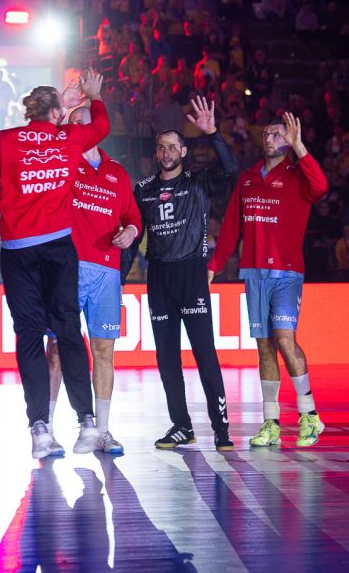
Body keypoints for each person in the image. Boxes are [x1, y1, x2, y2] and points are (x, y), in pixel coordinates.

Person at [0, 73, 108, 459]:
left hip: (18, 253)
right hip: (58, 249)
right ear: (57, 113)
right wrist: (94, 96)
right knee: (68, 331)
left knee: (28, 336)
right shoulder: (70, 138)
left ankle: (40, 428)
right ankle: (88, 422)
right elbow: (102, 126)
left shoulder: (6, 140)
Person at [209, 113, 328, 448]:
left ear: (288, 139)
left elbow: (321, 187)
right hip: (253, 272)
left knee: (285, 340)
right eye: (266, 133)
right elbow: (231, 225)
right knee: (264, 346)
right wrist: (214, 265)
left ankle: (309, 414)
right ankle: (271, 422)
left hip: (287, 272)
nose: (269, 138)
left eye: (277, 134)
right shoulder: (248, 178)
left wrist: (300, 147)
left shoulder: (298, 174)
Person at [133, 96, 236, 451]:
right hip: (159, 278)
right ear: (156, 152)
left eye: (173, 147)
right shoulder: (143, 190)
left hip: (191, 275)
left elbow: (230, 170)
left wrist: (213, 133)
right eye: (161, 147)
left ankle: (221, 428)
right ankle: (181, 426)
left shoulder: (198, 183)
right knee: (166, 358)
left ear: (184, 151)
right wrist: (119, 275)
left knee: (205, 354)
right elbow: (133, 235)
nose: (166, 153)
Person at [45, 104, 141, 455]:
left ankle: (102, 431)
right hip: (67, 269)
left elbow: (133, 217)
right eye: (69, 124)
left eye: (79, 124)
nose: (74, 130)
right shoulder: (62, 163)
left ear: (96, 128)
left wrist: (131, 231)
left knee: (104, 352)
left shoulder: (117, 172)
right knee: (56, 350)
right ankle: (46, 430)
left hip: (106, 272)